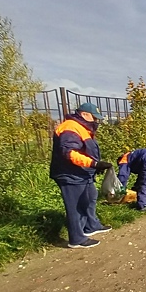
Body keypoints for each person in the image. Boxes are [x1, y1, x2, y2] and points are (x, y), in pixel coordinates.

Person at [49, 102, 113, 249]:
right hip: (70, 174)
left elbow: (85, 150)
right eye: (94, 117)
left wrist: (94, 167)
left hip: (82, 172)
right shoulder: (70, 127)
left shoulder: (81, 128)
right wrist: (94, 164)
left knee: (90, 197)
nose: (96, 121)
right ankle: (76, 238)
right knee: (75, 205)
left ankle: (91, 225)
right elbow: (70, 153)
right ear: (84, 114)